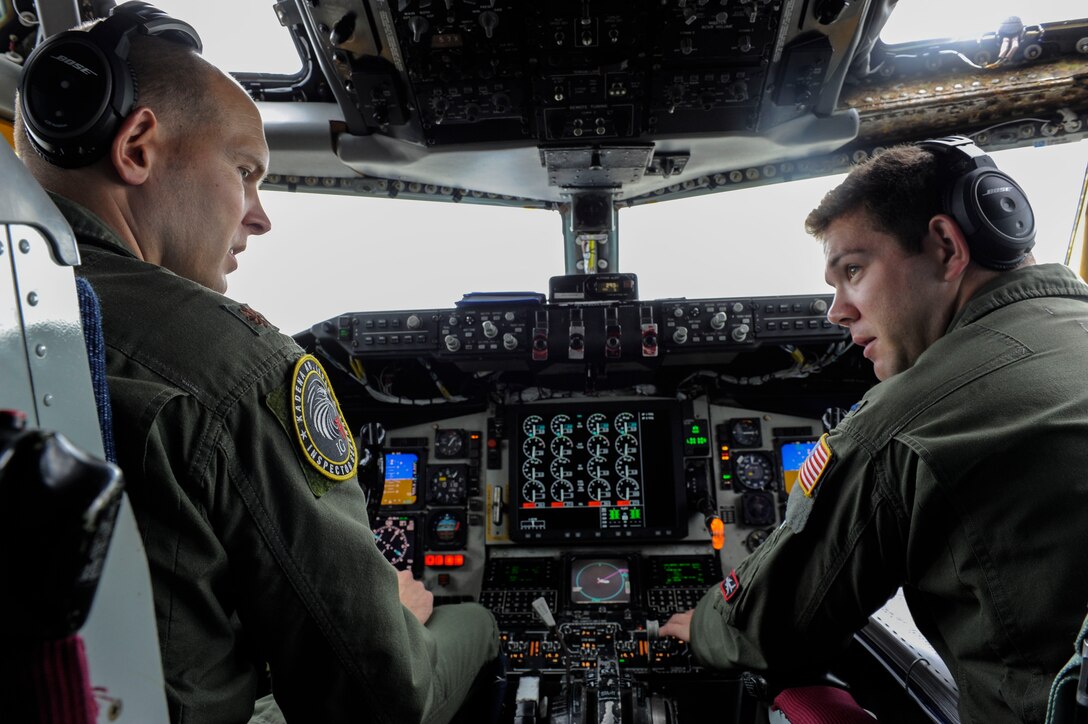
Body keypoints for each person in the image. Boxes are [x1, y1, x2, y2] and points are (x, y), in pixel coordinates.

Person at [12, 4, 498, 723]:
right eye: (244, 171)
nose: (260, 216)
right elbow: (379, 695)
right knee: (469, 628)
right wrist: (412, 617)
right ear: (137, 146)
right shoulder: (234, 367)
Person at [661, 140, 1088, 723]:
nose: (836, 310)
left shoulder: (905, 418)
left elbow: (770, 627)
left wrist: (704, 625)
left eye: (853, 271)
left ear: (946, 246)